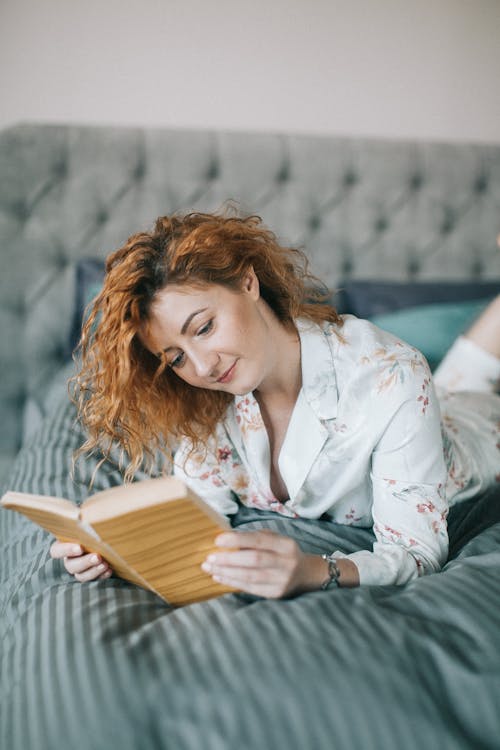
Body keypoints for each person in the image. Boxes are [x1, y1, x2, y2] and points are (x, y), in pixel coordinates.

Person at [50, 212, 500, 597]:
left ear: (248, 282)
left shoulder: (391, 376)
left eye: (204, 327)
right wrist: (111, 549)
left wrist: (315, 571)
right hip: (430, 399)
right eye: (177, 357)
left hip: (475, 436)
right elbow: (196, 511)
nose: (204, 367)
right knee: (460, 375)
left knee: (467, 390)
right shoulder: (206, 405)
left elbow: (417, 553)